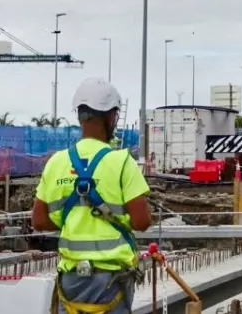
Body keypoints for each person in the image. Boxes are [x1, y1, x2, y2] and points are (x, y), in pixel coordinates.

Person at [33, 77, 153, 314]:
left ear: (80, 116)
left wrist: (74, 220)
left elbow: (38, 221)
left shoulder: (56, 162)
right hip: (110, 280)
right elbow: (142, 222)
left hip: (71, 278)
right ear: (111, 117)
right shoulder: (120, 162)